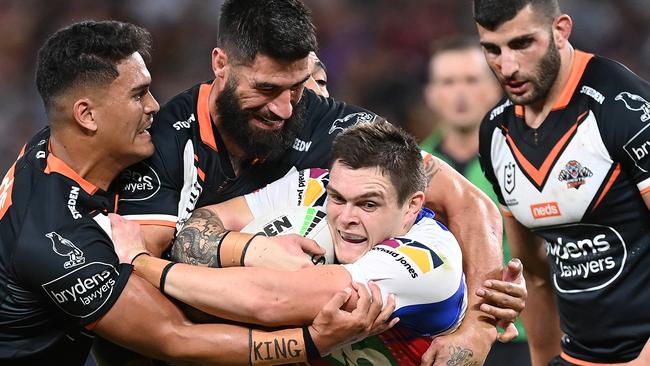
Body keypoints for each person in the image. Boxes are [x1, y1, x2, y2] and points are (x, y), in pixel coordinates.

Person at [116, 1, 525, 363]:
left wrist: (479, 326)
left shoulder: (337, 132)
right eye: (267, 88)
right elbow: (149, 291)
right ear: (220, 64)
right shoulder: (170, 142)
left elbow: (469, 202)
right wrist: (249, 249)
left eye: (297, 89)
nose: (284, 108)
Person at [0, 20, 393, 366]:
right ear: (87, 115)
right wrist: (309, 342)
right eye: (138, 95)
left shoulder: (58, 148)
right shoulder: (56, 243)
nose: (155, 107)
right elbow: (175, 337)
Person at [115, 120, 467, 366]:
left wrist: (142, 260)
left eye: (369, 204)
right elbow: (202, 223)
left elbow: (271, 300)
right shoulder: (314, 186)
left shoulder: (427, 260)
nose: (346, 218)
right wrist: (252, 250)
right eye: (338, 198)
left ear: (412, 207)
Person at [473, 0, 650, 364]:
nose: (506, 67)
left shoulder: (624, 109)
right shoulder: (496, 133)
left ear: (560, 30)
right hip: (576, 355)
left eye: (522, 44)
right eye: (492, 49)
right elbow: (533, 275)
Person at [420, 37, 531, 365]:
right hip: (437, 339)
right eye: (448, 82)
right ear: (431, 94)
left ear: (495, 89)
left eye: (470, 80)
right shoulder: (409, 169)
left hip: (515, 335)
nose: (460, 93)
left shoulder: (528, 164)